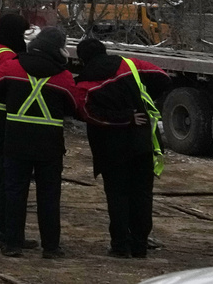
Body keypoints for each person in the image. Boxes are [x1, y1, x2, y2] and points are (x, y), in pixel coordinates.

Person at [0, 27, 81, 259]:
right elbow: (76, 106)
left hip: (15, 140)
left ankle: (11, 243)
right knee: (49, 196)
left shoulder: (12, 67)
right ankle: (51, 246)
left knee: (14, 192)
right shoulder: (63, 77)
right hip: (49, 144)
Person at [75, 38, 171, 259]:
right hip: (141, 143)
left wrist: (122, 118)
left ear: (81, 58)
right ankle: (140, 245)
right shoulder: (129, 64)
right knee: (142, 195)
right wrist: (142, 102)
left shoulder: (84, 82)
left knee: (118, 196)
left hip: (110, 148)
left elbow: (87, 113)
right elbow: (162, 77)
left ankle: (120, 245)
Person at [0, 12, 33, 249]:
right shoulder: (8, 56)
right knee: (6, 178)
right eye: (22, 33)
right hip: (3, 120)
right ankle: (3, 231)